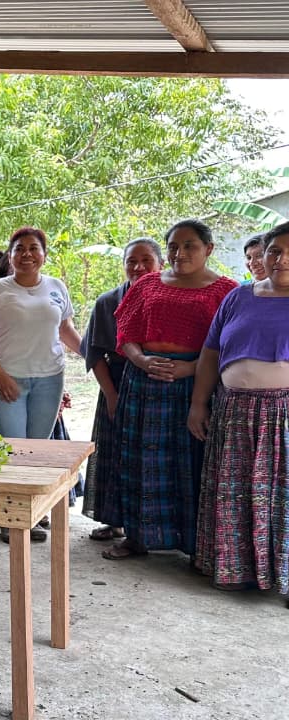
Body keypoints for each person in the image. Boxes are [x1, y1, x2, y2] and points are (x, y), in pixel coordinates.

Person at [103, 219, 238, 560]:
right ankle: (136, 537)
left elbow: (228, 346)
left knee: (190, 461)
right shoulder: (147, 284)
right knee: (138, 459)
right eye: (174, 247)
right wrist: (142, 361)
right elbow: (126, 334)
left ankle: (194, 546)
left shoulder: (227, 291)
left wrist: (191, 368)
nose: (180, 253)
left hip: (196, 384)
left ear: (209, 249)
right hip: (142, 383)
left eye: (190, 245)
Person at [190, 222, 289, 601]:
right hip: (233, 411)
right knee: (234, 493)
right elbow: (210, 353)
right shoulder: (238, 297)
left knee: (282, 497)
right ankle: (235, 569)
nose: (281, 260)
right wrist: (198, 403)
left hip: (283, 415)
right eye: (275, 250)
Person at [0, 227, 82, 543]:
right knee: (14, 449)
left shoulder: (56, 287)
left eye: (34, 248)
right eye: (19, 248)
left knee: (38, 449)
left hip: (50, 379)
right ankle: (10, 520)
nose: (27, 254)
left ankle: (32, 513)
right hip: (8, 380)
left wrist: (93, 355)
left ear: (44, 255)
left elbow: (66, 330)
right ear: (10, 255)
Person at [79, 238, 164, 541]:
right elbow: (94, 354)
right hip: (117, 382)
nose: (139, 267)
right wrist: (112, 396)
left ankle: (153, 528)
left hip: (161, 384)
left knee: (152, 458)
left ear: (161, 264)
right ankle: (113, 519)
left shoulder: (173, 299)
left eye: (146, 260)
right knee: (115, 452)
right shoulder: (108, 301)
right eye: (131, 261)